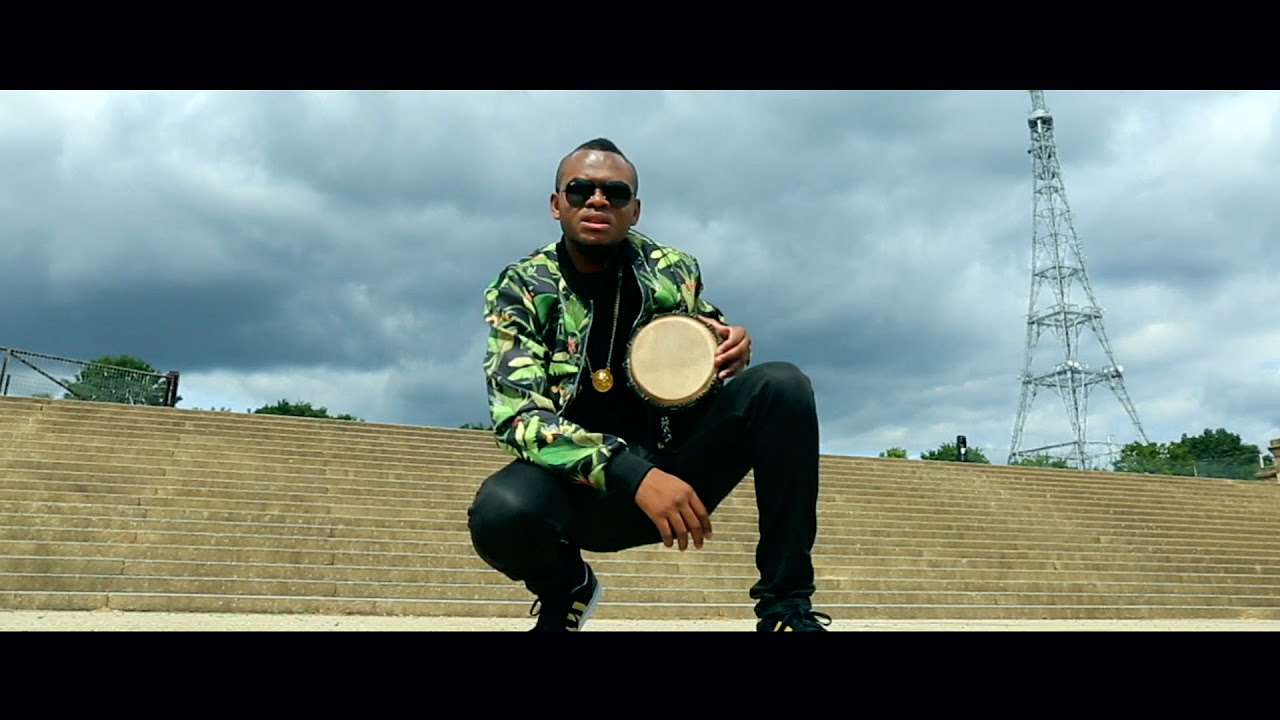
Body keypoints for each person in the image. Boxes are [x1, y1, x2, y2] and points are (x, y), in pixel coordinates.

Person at [468, 138, 830, 632]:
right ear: (556, 204)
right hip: (581, 487)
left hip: (679, 466)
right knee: (500, 513)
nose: (598, 201)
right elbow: (519, 419)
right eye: (580, 190)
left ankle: (786, 609)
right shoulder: (523, 287)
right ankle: (565, 587)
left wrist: (731, 343)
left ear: (634, 210)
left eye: (615, 193)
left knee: (782, 386)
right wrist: (634, 474)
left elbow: (699, 337)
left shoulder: (671, 270)